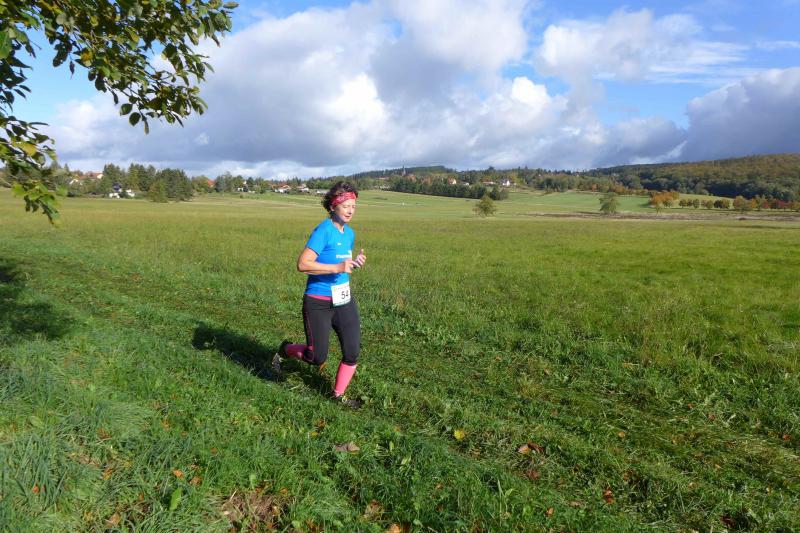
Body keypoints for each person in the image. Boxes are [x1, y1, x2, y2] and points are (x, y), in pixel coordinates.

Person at [274, 181, 367, 408]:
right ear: (333, 206)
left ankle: (337, 396)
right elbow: (303, 264)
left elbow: (340, 262)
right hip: (319, 302)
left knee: (352, 351)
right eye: (346, 205)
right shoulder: (323, 231)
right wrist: (337, 268)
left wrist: (352, 263)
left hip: (343, 299)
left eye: (353, 206)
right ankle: (285, 349)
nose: (350, 210)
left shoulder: (349, 233)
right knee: (317, 357)